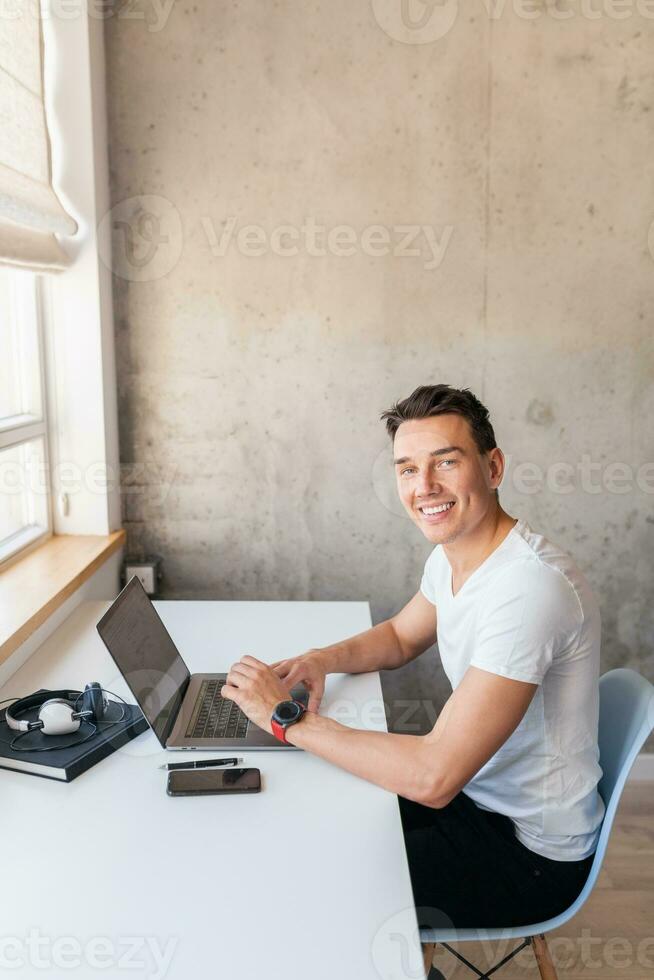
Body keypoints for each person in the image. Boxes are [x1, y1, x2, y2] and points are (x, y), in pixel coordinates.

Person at [221, 384, 604, 928]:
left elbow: (434, 776)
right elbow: (401, 637)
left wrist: (287, 721)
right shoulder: (455, 555)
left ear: (493, 467)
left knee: (308, 885)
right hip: (474, 801)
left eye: (445, 462)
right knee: (306, 817)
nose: (424, 487)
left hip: (527, 853)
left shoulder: (529, 590)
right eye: (406, 469)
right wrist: (320, 659)